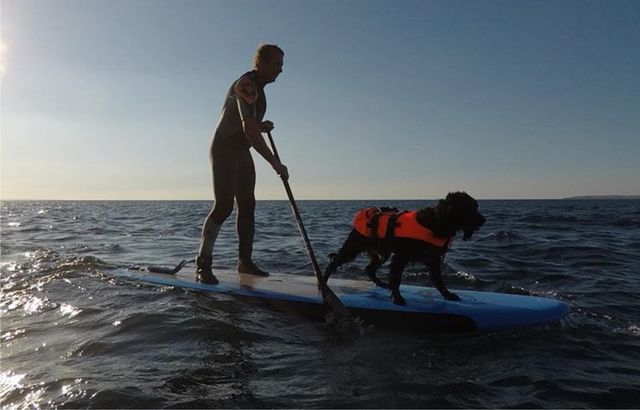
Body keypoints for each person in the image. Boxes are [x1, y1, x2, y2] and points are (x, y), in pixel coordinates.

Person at [196, 44, 288, 284]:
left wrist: (261, 125)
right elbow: (247, 128)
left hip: (240, 150)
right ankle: (203, 264)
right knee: (225, 205)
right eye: (277, 63)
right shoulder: (246, 84)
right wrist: (274, 162)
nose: (281, 69)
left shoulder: (260, 90)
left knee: (248, 205)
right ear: (262, 62)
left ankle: (245, 263)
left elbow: (249, 125)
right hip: (225, 148)